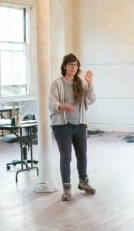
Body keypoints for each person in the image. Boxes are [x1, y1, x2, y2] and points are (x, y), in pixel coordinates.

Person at [49, 53, 96, 201]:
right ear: (65, 66)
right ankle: (67, 189)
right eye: (70, 65)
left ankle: (83, 182)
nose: (73, 68)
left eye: (75, 65)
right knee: (66, 156)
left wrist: (90, 84)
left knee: (82, 155)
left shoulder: (81, 83)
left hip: (80, 124)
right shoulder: (57, 83)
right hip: (62, 126)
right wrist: (61, 106)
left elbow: (92, 99)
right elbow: (50, 103)